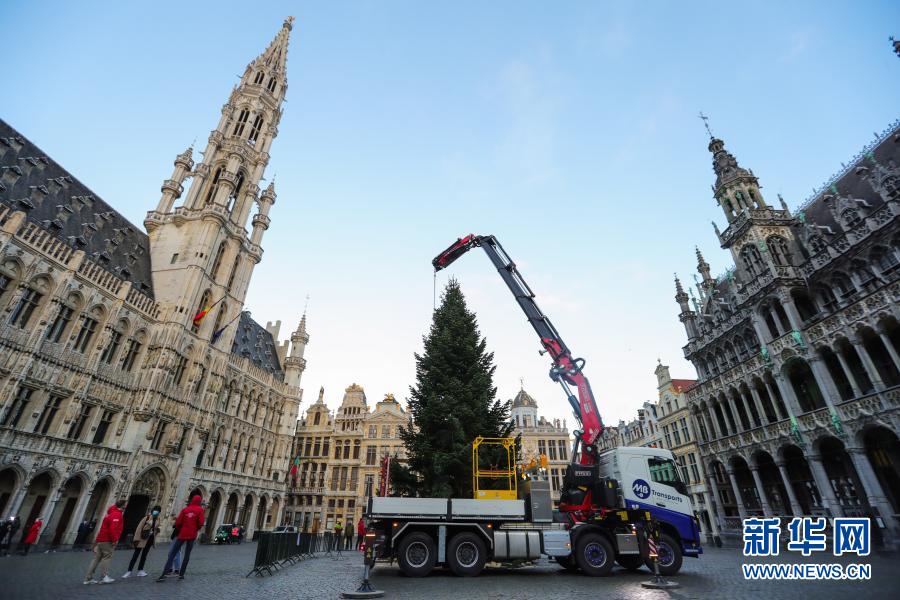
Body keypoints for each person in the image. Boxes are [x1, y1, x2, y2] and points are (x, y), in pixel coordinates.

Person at [156, 494, 204, 582]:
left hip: (182, 534)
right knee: (187, 555)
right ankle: (181, 574)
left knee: (173, 553)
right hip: (192, 535)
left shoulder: (185, 509)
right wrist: (195, 529)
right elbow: (201, 523)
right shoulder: (200, 510)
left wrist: (182, 529)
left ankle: (163, 574)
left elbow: (178, 523)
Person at [84, 499, 126, 584]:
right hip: (107, 540)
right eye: (126, 504)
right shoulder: (116, 514)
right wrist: (114, 540)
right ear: (122, 505)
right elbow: (113, 529)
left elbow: (103, 528)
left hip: (101, 539)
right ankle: (104, 577)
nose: (126, 505)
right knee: (107, 557)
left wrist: (96, 541)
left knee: (96, 559)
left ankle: (88, 578)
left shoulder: (110, 513)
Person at [122, 504, 161, 578]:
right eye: (156, 510)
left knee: (144, 556)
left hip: (150, 539)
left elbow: (156, 528)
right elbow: (139, 528)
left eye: (158, 511)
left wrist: (157, 530)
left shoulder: (158, 519)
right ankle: (129, 571)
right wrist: (136, 539)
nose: (156, 512)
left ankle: (140, 570)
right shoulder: (147, 518)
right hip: (142, 539)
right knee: (135, 555)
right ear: (153, 510)